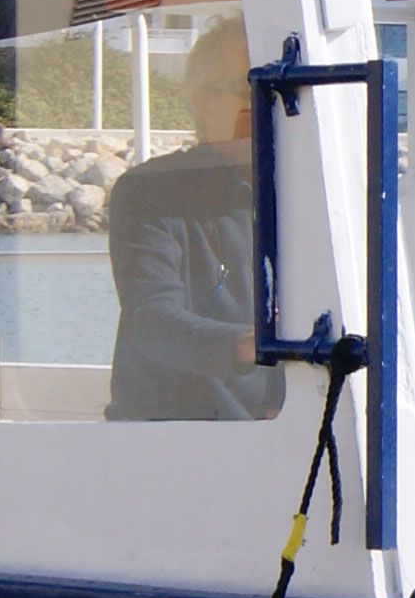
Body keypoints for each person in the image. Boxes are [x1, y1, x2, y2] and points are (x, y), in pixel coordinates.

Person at [104, 21, 286, 423]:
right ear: (203, 101)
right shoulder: (150, 190)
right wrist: (251, 346)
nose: (266, 106)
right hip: (171, 439)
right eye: (251, 92)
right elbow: (150, 319)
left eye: (279, 93)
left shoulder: (302, 196)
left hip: (285, 436)